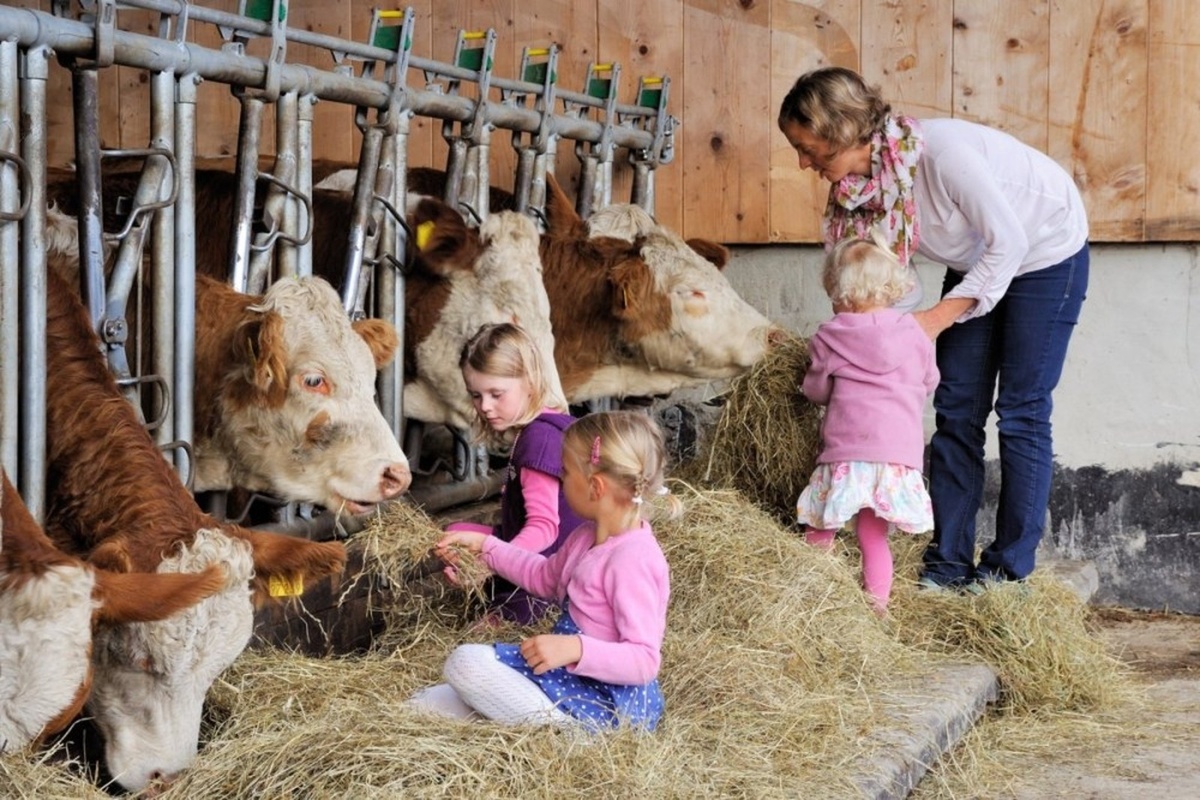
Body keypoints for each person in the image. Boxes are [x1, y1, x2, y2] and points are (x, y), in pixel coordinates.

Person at [778, 66, 1089, 592]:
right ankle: (947, 568)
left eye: (811, 149)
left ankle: (1006, 573)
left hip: (1043, 252)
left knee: (1020, 409)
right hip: (977, 262)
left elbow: (1008, 242)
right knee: (957, 406)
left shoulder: (939, 155)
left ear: (845, 132)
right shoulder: (859, 194)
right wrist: (875, 333)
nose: (803, 162)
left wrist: (930, 322)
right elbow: (892, 285)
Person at [410, 410, 678, 730]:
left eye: (565, 472)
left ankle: (570, 737)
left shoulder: (633, 559)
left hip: (605, 702)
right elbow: (542, 576)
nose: (561, 480)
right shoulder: (585, 537)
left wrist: (574, 648)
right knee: (425, 704)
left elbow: (644, 660)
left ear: (595, 486)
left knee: (466, 663)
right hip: (567, 678)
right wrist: (486, 546)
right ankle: (533, 723)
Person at [796, 235, 939, 614]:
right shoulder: (915, 334)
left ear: (840, 291)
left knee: (821, 526)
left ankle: (815, 598)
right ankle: (877, 608)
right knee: (873, 535)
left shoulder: (830, 336)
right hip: (897, 455)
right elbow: (929, 382)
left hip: (848, 451)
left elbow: (816, 390)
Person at [443, 322, 584, 625]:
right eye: (476, 395)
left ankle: (506, 614)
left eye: (497, 394)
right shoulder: (546, 426)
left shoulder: (538, 441)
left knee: (472, 649)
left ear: (530, 382)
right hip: (560, 563)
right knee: (454, 534)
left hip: (548, 584)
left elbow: (545, 528)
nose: (486, 407)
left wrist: (489, 561)